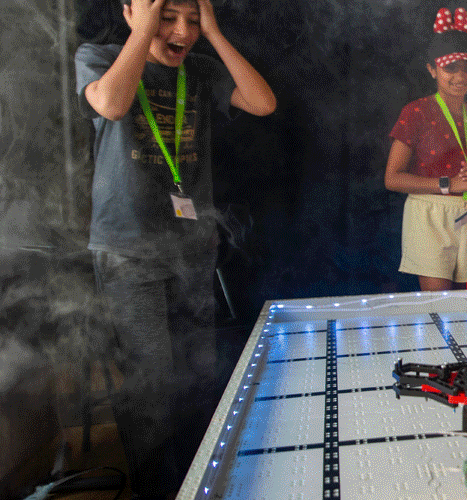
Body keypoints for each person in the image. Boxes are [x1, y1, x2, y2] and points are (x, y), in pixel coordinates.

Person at [75, 0, 276, 497]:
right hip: (128, 251)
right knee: (150, 386)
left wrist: (215, 32)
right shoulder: (100, 58)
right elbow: (112, 105)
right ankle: (155, 489)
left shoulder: (201, 70)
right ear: (132, 11)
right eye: (168, 16)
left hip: (192, 249)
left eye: (191, 19)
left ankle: (195, 481)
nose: (181, 32)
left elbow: (263, 103)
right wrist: (144, 30)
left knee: (196, 376)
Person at [385, 7, 467, 292]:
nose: (460, 76)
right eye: (450, 68)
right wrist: (448, 184)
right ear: (432, 69)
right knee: (439, 303)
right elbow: (392, 178)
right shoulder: (416, 112)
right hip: (429, 213)